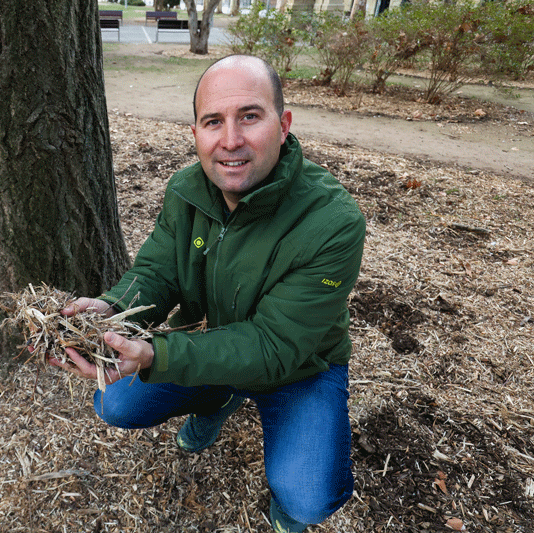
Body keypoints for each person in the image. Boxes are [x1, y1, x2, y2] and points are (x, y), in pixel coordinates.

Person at [50, 55, 366, 533]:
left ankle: (288, 503)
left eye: (250, 116)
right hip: (213, 346)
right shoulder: (188, 189)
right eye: (213, 121)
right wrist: (111, 309)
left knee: (307, 498)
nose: (231, 139)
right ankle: (216, 399)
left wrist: (156, 354)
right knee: (115, 405)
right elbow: (159, 270)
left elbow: (274, 346)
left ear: (283, 126)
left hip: (301, 369)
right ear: (195, 132)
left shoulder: (333, 222)